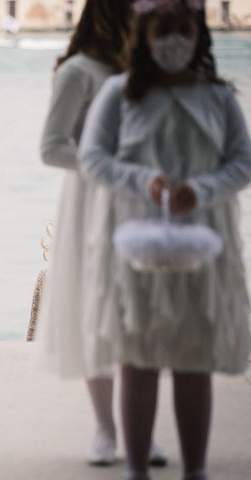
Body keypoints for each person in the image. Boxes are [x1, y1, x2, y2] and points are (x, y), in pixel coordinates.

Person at [78, 1, 251, 479]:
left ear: (198, 34)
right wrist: (143, 180)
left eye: (182, 29)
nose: (173, 40)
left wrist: (203, 189)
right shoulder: (118, 94)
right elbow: (93, 159)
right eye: (163, 30)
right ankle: (137, 469)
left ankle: (195, 469)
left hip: (204, 244)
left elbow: (243, 161)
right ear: (144, 34)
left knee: (195, 359)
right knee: (139, 357)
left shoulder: (218, 96)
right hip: (136, 248)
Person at [34, 0, 166, 466]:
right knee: (97, 311)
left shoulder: (146, 68)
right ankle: (106, 430)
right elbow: (52, 148)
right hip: (92, 202)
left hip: (143, 199)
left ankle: (141, 432)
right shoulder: (79, 71)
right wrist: (111, 167)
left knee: (140, 314)